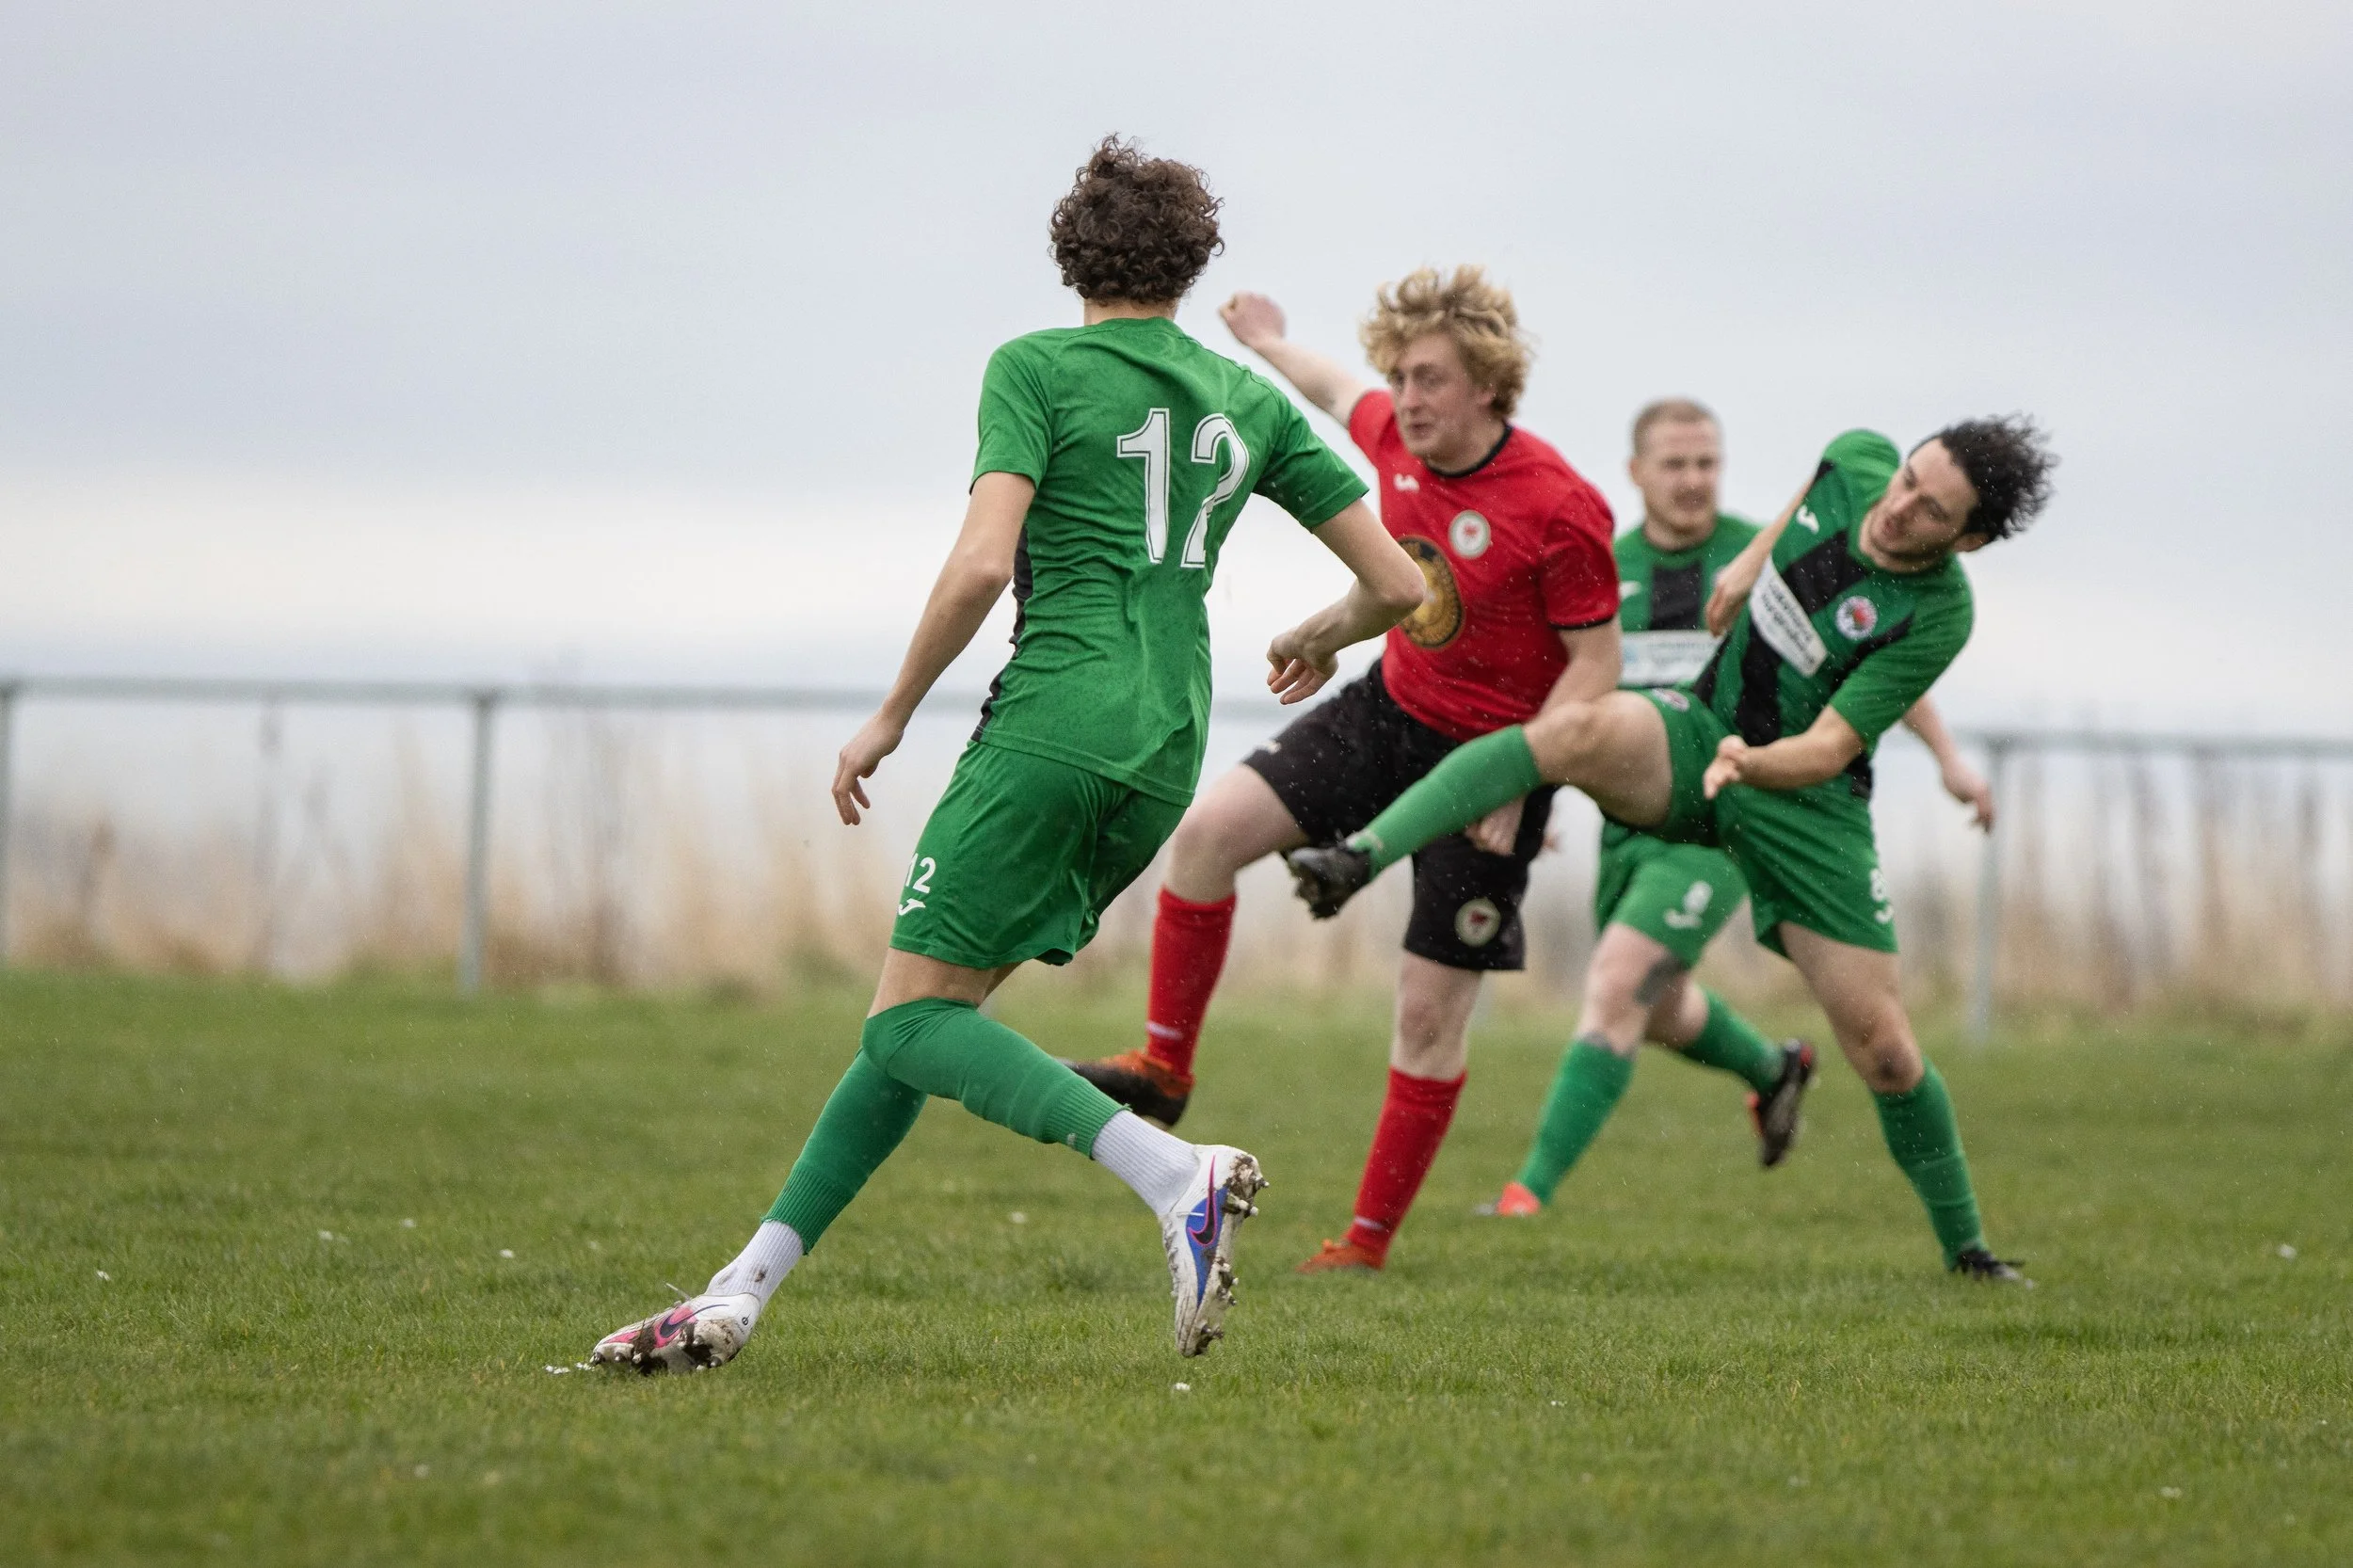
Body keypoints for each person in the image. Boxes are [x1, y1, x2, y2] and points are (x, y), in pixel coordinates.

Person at [590, 137, 1426, 1372]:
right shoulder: (1245, 398)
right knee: (916, 1020)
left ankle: (1170, 1171)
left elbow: (986, 561)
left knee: (908, 1029)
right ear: (1194, 264)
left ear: (1068, 254)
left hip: (1055, 719)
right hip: (1167, 746)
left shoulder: (1035, 368)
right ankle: (740, 1289)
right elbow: (1400, 582)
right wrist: (1325, 630)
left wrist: (889, 709)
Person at [1286, 416, 2056, 1283]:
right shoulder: (1855, 459)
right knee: (1573, 734)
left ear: (1972, 540)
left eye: (1930, 511)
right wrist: (1752, 561)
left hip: (1804, 804)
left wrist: (1757, 763)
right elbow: (1818, 483)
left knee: (1880, 1046)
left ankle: (1970, 1251)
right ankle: (1359, 855)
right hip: (1699, 734)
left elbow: (1836, 745)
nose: (1898, 506)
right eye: (1909, 479)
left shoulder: (1942, 615)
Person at [1066, 267, 1623, 1273]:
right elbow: (1331, 388)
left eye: (1430, 380)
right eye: (1401, 378)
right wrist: (1265, 341)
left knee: (1424, 1015)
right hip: (1389, 711)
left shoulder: (1559, 505)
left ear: (1488, 386)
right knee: (1204, 838)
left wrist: (1519, 778)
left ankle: (1362, 1246)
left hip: (1495, 761)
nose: (1407, 398)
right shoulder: (1387, 436)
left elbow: (1597, 668)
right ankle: (1164, 1065)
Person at [1481, 399, 1998, 1218]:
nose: (1692, 481)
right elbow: (1565, 699)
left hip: (1725, 803)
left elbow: (1881, 674)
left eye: (1706, 464)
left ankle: (1524, 1197)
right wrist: (1527, 792)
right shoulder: (1604, 566)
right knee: (1652, 1007)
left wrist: (1950, 761)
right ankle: (1771, 1069)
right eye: (1674, 465)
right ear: (1635, 473)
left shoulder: (1784, 543)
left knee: (1616, 984)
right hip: (1632, 810)